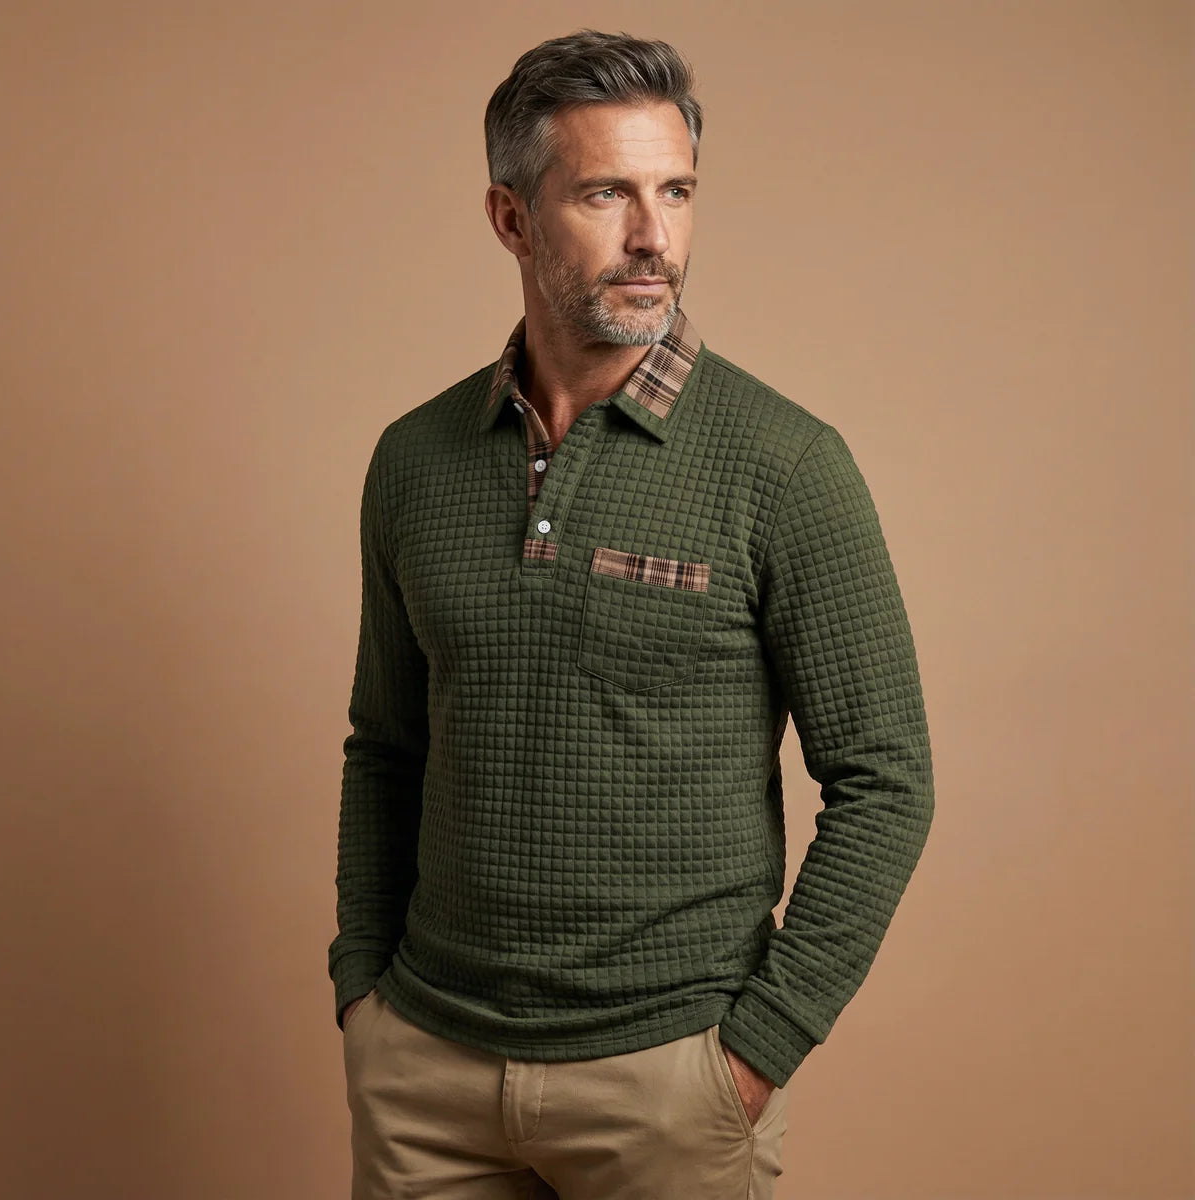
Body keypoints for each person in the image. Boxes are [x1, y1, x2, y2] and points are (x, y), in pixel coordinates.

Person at [329, 27, 934, 1200]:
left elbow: (888, 779)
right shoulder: (414, 460)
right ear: (511, 218)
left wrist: (756, 1052)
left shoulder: (785, 465)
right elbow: (386, 747)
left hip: (669, 1081)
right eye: (606, 194)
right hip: (425, 1075)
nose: (654, 236)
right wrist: (365, 991)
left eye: (677, 192)